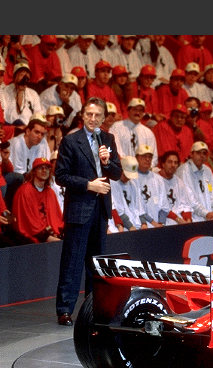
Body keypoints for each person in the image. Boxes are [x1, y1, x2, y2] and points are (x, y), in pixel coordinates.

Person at [54, 96, 122, 326]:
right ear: (83, 115)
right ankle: (64, 310)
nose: (93, 119)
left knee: (96, 263)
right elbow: (61, 176)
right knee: (72, 261)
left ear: (104, 118)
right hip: (79, 208)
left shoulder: (108, 139)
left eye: (97, 115)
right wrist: (88, 184)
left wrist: (107, 161)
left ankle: (93, 310)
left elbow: (116, 173)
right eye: (89, 114)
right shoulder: (71, 141)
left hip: (100, 210)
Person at [11, 157, 64, 243]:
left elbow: (57, 219)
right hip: (32, 237)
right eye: (40, 168)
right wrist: (52, 239)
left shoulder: (50, 192)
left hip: (50, 234)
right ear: (34, 171)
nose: (44, 170)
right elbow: (29, 224)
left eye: (47, 168)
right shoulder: (25, 191)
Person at [175, 141, 213, 222]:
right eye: (198, 153)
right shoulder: (184, 170)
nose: (201, 156)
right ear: (191, 154)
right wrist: (206, 213)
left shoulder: (207, 170)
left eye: (204, 153)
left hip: (211, 217)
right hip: (193, 218)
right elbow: (189, 199)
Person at [110, 98, 159, 168]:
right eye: (135, 109)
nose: (137, 113)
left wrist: (145, 167)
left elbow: (154, 157)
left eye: (140, 110)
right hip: (122, 168)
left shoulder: (148, 133)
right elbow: (116, 150)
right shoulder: (116, 128)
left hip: (142, 171)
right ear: (129, 110)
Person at [134, 144, 170, 228]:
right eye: (144, 156)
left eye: (150, 157)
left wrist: (161, 223)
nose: (147, 159)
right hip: (140, 224)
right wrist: (153, 223)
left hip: (158, 224)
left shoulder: (158, 179)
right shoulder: (132, 178)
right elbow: (136, 207)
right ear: (136, 158)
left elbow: (164, 206)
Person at [2, 62, 45, 130]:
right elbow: (3, 114)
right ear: (14, 77)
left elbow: (38, 114)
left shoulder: (33, 94)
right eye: (21, 74)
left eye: (27, 75)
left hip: (27, 129)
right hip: (10, 128)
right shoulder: (4, 92)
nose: (25, 78)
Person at [109, 155, 144, 232]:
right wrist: (130, 226)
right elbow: (118, 210)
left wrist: (143, 223)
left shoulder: (133, 184)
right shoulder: (113, 182)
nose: (128, 179)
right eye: (126, 175)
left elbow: (138, 208)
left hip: (135, 223)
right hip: (121, 224)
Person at [157, 150, 192, 225]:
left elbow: (185, 204)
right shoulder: (155, 180)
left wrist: (188, 219)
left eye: (176, 163)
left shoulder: (179, 181)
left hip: (178, 219)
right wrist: (177, 219)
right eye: (170, 162)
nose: (173, 165)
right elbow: (160, 206)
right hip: (162, 219)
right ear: (163, 164)